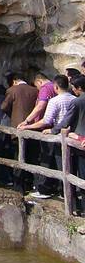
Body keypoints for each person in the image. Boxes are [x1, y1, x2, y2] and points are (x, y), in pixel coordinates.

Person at [20, 75, 76, 198]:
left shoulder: (54, 101)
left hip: (57, 135)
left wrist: (28, 126)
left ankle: (49, 190)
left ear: (56, 87)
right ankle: (67, 192)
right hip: (73, 135)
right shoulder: (74, 99)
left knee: (55, 162)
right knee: (70, 165)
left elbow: (46, 120)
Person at [52, 75, 85, 214]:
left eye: (74, 88)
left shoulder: (77, 102)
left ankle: (81, 208)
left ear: (79, 88)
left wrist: (53, 130)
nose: (73, 90)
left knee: (80, 175)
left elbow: (66, 122)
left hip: (79, 142)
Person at [1, 72, 38, 192]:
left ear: (14, 81)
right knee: (32, 156)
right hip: (33, 127)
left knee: (19, 155)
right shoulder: (35, 90)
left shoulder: (12, 90)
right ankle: (31, 183)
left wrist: (12, 115)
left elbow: (3, 107)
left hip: (18, 127)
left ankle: (18, 186)